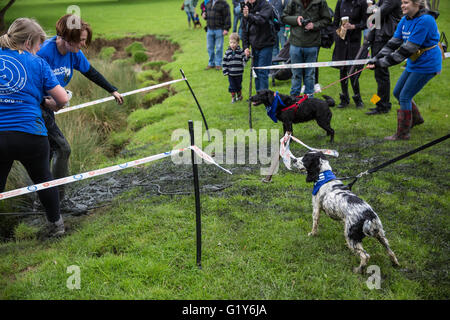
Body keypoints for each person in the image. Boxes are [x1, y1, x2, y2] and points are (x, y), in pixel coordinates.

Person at [37, 14, 124, 200]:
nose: (84, 45)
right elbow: (26, 86)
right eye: (81, 40)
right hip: (34, 108)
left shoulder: (74, 53)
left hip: (49, 107)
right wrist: (45, 102)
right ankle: (58, 199)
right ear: (67, 37)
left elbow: (90, 71)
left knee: (49, 151)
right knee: (63, 149)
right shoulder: (43, 53)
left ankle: (45, 199)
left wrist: (112, 90)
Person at [0, 18, 69, 237]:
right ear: (29, 42)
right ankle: (56, 226)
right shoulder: (37, 63)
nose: (40, 49)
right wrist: (47, 101)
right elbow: (62, 99)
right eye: (39, 44)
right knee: (44, 180)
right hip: (32, 133)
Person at [367, 0, 442, 140]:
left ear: (417, 4)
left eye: (406, 2)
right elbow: (393, 43)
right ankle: (416, 118)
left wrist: (381, 63)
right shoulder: (405, 20)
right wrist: (376, 58)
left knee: (405, 96)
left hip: (428, 63)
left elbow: (406, 50)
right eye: (402, 2)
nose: (402, 5)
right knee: (397, 92)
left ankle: (403, 133)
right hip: (415, 61)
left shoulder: (425, 20)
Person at [282, 0, 332, 96]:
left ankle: (309, 99)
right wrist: (296, 19)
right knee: (296, 74)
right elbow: (284, 17)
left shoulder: (320, 2)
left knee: (310, 75)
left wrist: (314, 25)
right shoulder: (293, 1)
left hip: (312, 44)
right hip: (295, 43)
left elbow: (327, 19)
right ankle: (294, 99)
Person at [365, 0, 402, 115]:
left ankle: (383, 106)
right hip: (378, 36)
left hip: (385, 37)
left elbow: (375, 16)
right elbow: (372, 15)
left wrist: (373, 9)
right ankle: (380, 103)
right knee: (379, 74)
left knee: (382, 74)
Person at [332, 0, 368, 108]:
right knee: (342, 70)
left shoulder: (361, 3)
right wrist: (338, 33)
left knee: (352, 71)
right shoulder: (341, 2)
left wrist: (354, 26)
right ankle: (344, 98)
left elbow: (366, 23)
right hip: (342, 41)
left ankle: (358, 98)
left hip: (354, 41)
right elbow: (335, 22)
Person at [241, 0, 276, 92]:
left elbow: (261, 20)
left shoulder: (266, 5)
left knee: (262, 72)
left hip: (266, 43)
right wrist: (245, 47)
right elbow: (244, 30)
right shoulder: (247, 7)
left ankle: (265, 99)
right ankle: (259, 96)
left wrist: (248, 16)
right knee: (256, 72)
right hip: (254, 45)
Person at [202, 0, 231, 70]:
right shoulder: (208, 3)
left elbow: (227, 17)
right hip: (209, 29)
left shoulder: (224, 4)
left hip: (219, 29)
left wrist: (226, 29)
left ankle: (218, 64)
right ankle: (211, 63)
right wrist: (204, 15)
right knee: (209, 47)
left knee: (218, 48)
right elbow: (206, 14)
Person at [223, 33, 248, 103]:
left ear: (238, 43)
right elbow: (224, 62)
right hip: (231, 74)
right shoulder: (227, 52)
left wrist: (247, 56)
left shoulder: (240, 51)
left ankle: (239, 96)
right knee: (232, 86)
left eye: (234, 43)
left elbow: (244, 59)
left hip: (239, 73)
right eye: (231, 43)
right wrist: (225, 71)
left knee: (238, 85)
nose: (232, 44)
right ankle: (233, 98)